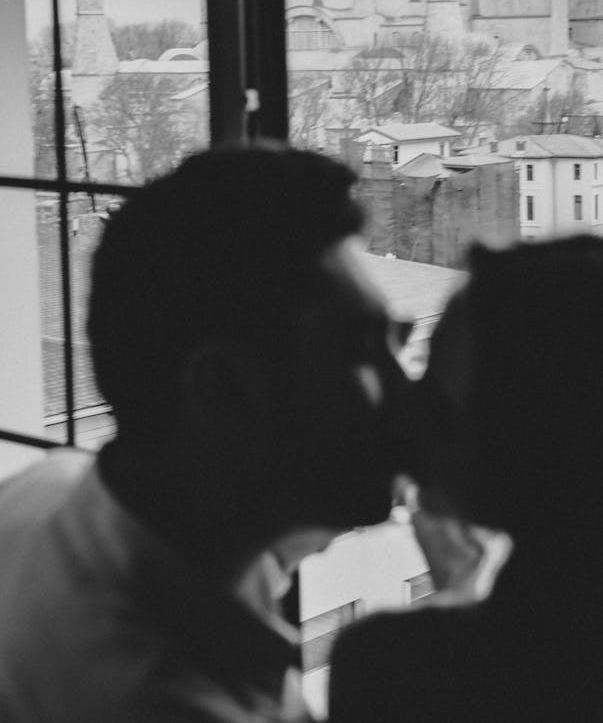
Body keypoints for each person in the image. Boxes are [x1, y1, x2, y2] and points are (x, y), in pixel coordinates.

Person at [0, 143, 429, 723]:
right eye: (358, 348)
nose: (409, 396)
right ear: (224, 388)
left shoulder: (45, 492)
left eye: (398, 345)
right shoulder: (168, 703)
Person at [329, 236, 603, 721]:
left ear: (540, 438)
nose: (407, 416)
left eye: (440, 401)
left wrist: (462, 606)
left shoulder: (398, 672)